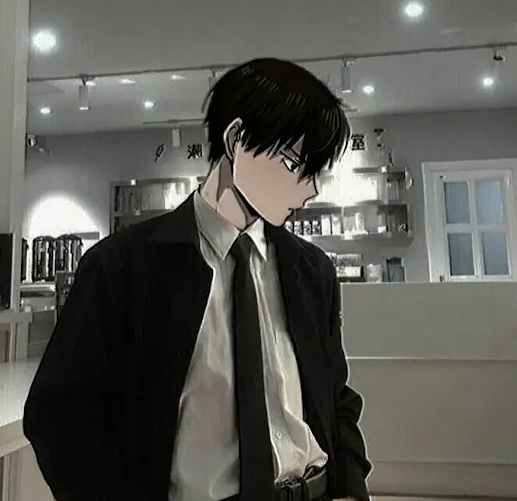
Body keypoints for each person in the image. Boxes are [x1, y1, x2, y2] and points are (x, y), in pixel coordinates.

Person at [23, 57, 371, 501]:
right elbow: (59, 416)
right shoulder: (122, 267)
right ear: (236, 139)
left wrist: (351, 485)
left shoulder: (311, 271)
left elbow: (334, 395)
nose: (310, 189)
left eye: (315, 172)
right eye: (292, 163)